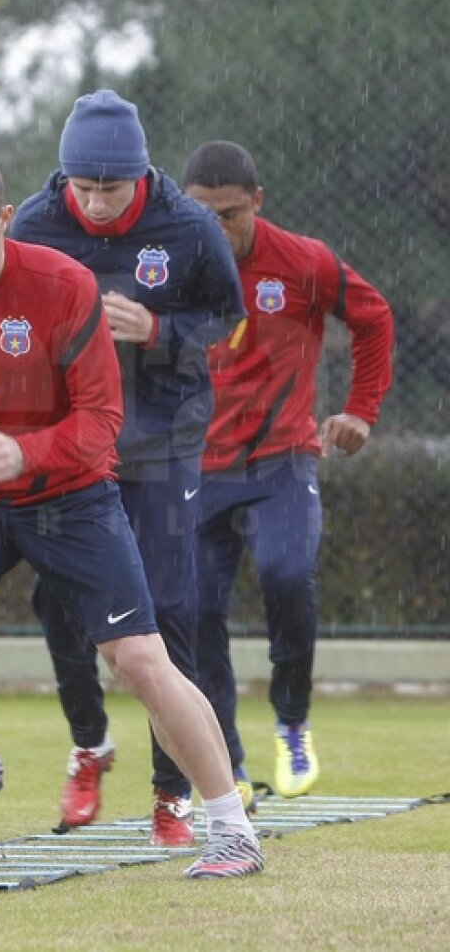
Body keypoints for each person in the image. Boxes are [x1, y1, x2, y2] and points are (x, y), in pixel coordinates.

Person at [0, 151, 262, 879]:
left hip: (71, 493)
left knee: (140, 660)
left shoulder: (63, 285)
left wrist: (26, 453)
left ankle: (232, 828)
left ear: (7, 221)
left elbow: (103, 418)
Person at [9, 89, 245, 844]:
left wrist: (161, 329)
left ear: (140, 175)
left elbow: (227, 317)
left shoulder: (189, 227)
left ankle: (171, 793)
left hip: (162, 437)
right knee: (56, 603)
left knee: (168, 609)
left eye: (112, 188)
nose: (99, 202)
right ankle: (89, 746)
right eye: (85, 187)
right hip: (74, 438)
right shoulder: (34, 224)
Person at [181, 140, 394, 800]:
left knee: (286, 572)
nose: (217, 227)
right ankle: (228, 765)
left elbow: (375, 317)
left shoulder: (303, 262)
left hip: (282, 459)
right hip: (192, 469)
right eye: (202, 214)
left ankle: (293, 722)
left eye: (231, 213)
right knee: (192, 611)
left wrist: (360, 409)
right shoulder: (164, 268)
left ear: (258, 203)